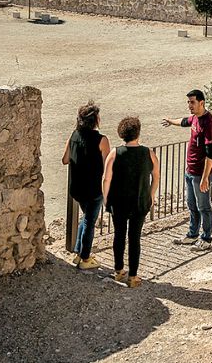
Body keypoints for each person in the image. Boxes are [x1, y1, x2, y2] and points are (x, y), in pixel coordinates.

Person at [102, 116, 159, 288]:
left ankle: (118, 271)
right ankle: (133, 277)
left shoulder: (115, 153)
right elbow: (156, 176)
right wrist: (151, 196)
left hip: (118, 202)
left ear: (122, 134)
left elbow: (106, 179)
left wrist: (106, 199)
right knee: (135, 238)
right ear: (138, 132)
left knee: (119, 235)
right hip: (140, 202)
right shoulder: (149, 153)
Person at [162, 89, 212, 251]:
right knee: (192, 204)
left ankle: (206, 238)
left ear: (202, 103)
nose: (189, 105)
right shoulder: (195, 118)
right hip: (191, 170)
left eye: (192, 102)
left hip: (202, 173)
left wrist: (205, 178)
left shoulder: (209, 123)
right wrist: (171, 121)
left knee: (204, 206)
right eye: (188, 102)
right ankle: (192, 235)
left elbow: (210, 154)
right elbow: (184, 121)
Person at [62, 102, 110, 269]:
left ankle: (78, 252)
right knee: (90, 221)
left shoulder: (74, 135)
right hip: (94, 189)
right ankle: (85, 258)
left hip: (77, 188)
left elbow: (65, 160)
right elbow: (108, 167)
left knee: (86, 217)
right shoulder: (102, 140)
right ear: (96, 119)